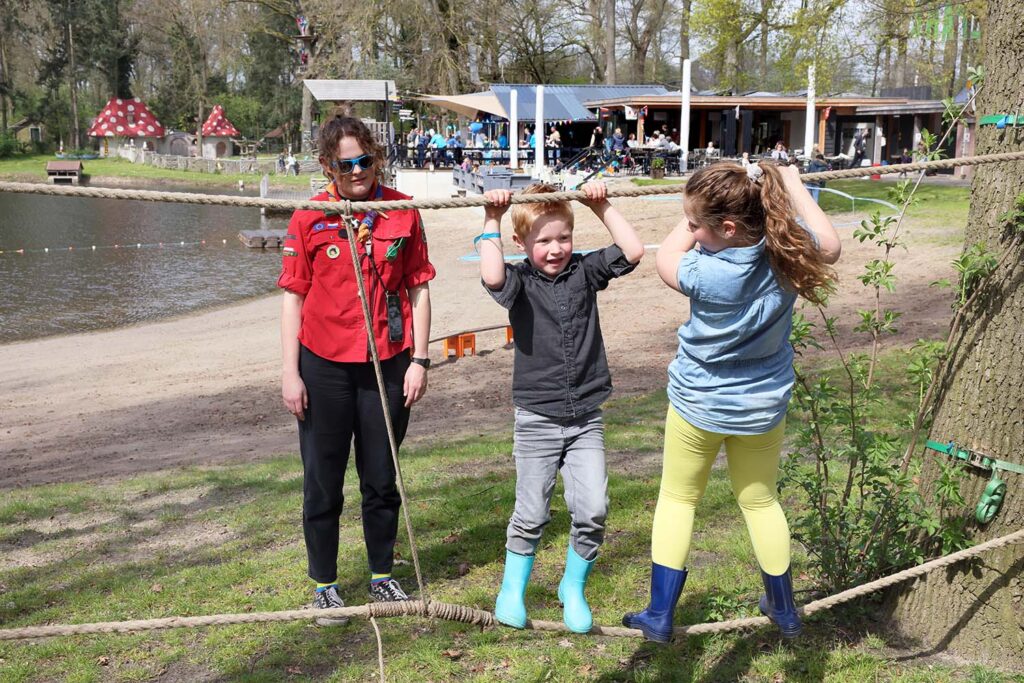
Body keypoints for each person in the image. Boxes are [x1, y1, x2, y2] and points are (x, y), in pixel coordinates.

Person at [621, 161, 841, 642]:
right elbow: (831, 245)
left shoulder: (704, 270)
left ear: (724, 228)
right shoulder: (787, 253)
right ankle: (783, 609)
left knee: (678, 499)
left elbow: (667, 256)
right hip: (762, 407)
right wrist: (789, 185)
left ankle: (659, 613)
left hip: (697, 405)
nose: (691, 232)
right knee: (761, 501)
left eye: (697, 224)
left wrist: (703, 207)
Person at [278, 116, 436, 624]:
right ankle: (324, 585)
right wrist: (289, 372)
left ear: (376, 157)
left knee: (381, 476)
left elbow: (419, 286)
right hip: (322, 367)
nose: (356, 172)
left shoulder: (401, 212)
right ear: (328, 166)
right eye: (344, 165)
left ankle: (382, 575)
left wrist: (420, 359)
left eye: (364, 160)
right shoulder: (309, 216)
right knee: (323, 481)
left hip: (387, 365)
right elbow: (293, 298)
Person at [478, 182, 645, 634]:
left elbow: (632, 251)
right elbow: (492, 277)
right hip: (537, 418)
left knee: (593, 509)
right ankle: (511, 590)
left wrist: (600, 204)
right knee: (531, 513)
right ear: (522, 244)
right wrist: (492, 219)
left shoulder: (585, 272)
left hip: (585, 417)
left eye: (563, 238)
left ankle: (572, 587)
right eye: (543, 241)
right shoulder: (519, 280)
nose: (555, 250)